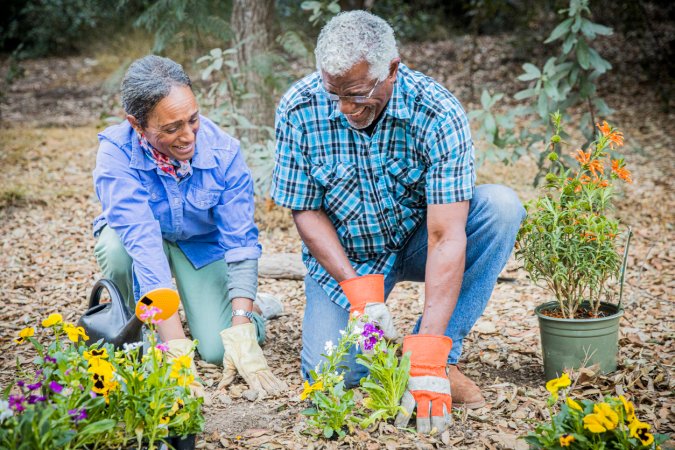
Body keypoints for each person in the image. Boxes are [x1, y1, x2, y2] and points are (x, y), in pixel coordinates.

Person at [271, 11, 525, 433]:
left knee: (501, 207)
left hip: (419, 241)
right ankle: (395, 351)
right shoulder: (299, 108)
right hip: (349, 253)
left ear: (391, 69)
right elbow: (306, 210)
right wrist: (358, 292)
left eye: (356, 93)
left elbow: (445, 236)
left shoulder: (436, 112)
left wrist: (427, 354)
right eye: (334, 93)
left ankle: (436, 357)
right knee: (331, 376)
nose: (346, 109)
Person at [92, 55, 287, 400]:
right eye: (171, 128)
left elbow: (240, 243)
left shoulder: (224, 152)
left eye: (192, 120)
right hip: (138, 245)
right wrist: (176, 348)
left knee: (215, 349)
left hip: (198, 244)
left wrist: (240, 331)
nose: (187, 136)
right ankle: (133, 327)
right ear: (137, 125)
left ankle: (255, 309)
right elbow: (144, 244)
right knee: (115, 249)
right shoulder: (116, 154)